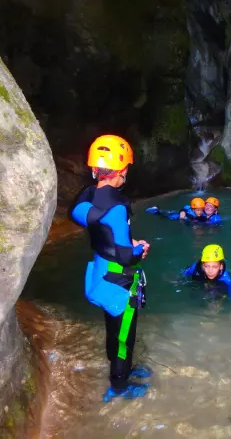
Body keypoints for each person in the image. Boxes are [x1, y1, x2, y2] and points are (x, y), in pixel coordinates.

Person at [71, 134, 152, 402]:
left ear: (95, 169)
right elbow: (127, 256)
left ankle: (122, 368)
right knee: (124, 339)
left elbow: (98, 228)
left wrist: (127, 243)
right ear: (121, 170)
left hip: (99, 272)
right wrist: (140, 247)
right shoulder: (117, 207)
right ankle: (119, 385)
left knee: (112, 328)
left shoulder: (87, 195)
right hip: (119, 281)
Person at [182, 244, 231, 310]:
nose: (210, 271)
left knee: (218, 292)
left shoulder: (224, 276)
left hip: (218, 282)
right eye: (207, 266)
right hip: (201, 278)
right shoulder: (196, 267)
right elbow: (184, 273)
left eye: (215, 267)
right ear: (202, 265)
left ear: (221, 266)